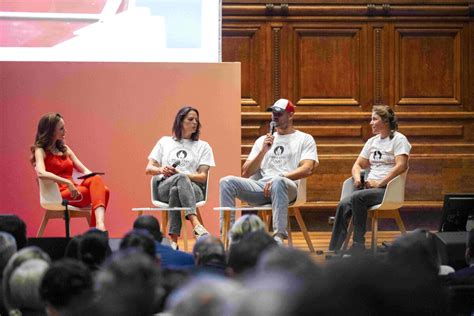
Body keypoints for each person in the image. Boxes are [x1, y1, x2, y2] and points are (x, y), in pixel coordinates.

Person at [219, 98, 318, 244]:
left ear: (290, 115)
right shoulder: (262, 141)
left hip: (289, 186)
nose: (275, 116)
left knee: (278, 181)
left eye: (279, 113)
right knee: (226, 182)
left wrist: (281, 176)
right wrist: (263, 151)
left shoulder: (304, 139)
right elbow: (246, 172)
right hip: (262, 187)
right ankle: (231, 236)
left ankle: (278, 236)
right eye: (273, 113)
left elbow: (308, 168)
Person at [329, 105, 411, 252]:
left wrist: (380, 183)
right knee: (343, 204)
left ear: (385, 121)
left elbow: (401, 166)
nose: (371, 123)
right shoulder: (372, 141)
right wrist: (357, 178)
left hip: (387, 190)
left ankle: (358, 245)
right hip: (368, 189)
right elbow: (357, 164)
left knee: (357, 198)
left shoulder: (399, 139)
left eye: (374, 119)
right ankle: (334, 249)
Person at [145, 106, 215, 250]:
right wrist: (161, 169)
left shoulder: (203, 146)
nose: (195, 122)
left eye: (197, 120)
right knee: (177, 184)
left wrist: (180, 174)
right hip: (165, 186)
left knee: (177, 187)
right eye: (190, 119)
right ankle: (196, 224)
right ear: (180, 121)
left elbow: (202, 177)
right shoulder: (164, 141)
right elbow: (149, 169)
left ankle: (174, 241)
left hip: (194, 189)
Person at [31, 113, 109, 231]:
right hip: (59, 194)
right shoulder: (40, 150)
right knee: (105, 191)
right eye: (61, 128)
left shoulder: (65, 149)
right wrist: (67, 183)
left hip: (74, 190)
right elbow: (41, 173)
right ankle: (97, 230)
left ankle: (98, 226)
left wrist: (96, 181)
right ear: (51, 131)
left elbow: (84, 170)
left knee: (98, 181)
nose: (65, 131)